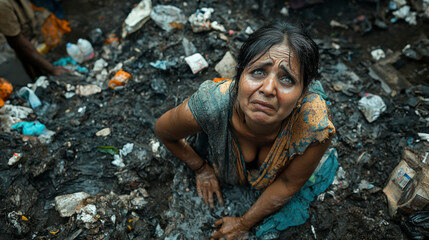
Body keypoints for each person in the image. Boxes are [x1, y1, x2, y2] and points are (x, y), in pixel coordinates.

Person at [155, 22, 336, 239]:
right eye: (258, 72)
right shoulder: (211, 106)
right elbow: (163, 131)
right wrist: (201, 168)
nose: (268, 89)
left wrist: (243, 223)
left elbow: (288, 183)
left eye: (287, 79)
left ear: (302, 93)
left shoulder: (313, 127)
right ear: (239, 76)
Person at [0, 0, 69, 80]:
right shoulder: (2, 4)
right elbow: (17, 42)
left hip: (29, 37)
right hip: (23, 46)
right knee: (34, 73)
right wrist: (51, 69)